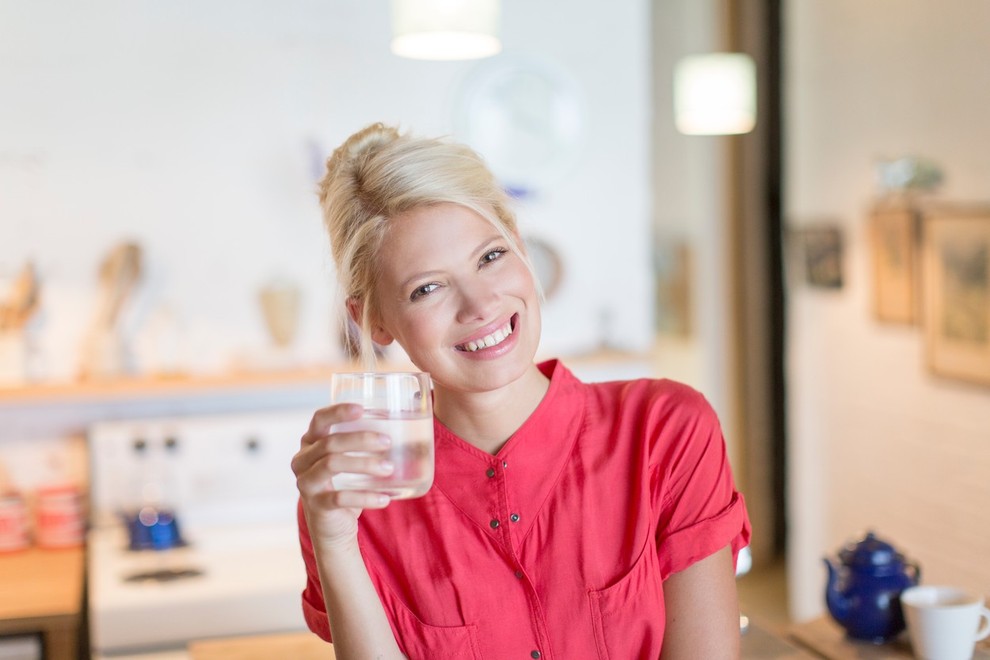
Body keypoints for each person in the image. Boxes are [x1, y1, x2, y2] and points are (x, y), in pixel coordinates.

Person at [291, 122, 751, 660]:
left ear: (521, 250)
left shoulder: (665, 430)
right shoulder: (355, 492)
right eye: (427, 288)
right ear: (373, 321)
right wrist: (335, 541)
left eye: (490, 257)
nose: (480, 304)